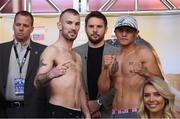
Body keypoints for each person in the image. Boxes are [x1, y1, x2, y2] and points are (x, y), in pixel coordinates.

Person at [98, 15, 163, 118]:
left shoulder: (143, 53)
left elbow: (161, 83)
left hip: (136, 112)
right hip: (115, 113)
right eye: (120, 30)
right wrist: (105, 69)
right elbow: (103, 91)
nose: (124, 34)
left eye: (128, 30)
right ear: (115, 33)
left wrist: (145, 72)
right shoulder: (113, 58)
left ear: (136, 33)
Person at [34, 8, 90, 118]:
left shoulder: (77, 57)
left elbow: (80, 88)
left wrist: (87, 114)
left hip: (77, 113)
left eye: (77, 24)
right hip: (58, 112)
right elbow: (37, 82)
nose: (74, 27)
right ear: (59, 25)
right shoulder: (52, 51)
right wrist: (51, 74)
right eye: (69, 23)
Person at [0, 11, 47, 118]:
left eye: (25, 25)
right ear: (13, 26)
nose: (21, 28)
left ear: (32, 29)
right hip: (5, 112)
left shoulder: (43, 51)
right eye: (18, 25)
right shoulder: (1, 50)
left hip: (33, 112)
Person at [74, 11, 119, 118]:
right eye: (91, 26)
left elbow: (120, 84)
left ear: (106, 29)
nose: (95, 30)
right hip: (81, 113)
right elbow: (73, 84)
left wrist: (99, 103)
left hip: (108, 113)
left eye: (99, 26)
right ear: (85, 29)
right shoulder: (74, 53)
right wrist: (86, 107)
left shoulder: (117, 53)